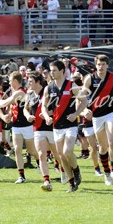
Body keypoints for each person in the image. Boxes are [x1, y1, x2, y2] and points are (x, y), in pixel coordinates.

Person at [42, 60, 87, 193]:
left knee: (67, 152)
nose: (52, 73)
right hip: (56, 126)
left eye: (54, 70)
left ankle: (77, 170)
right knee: (61, 156)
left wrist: (76, 113)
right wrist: (46, 117)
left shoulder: (71, 85)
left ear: (62, 71)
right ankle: (72, 182)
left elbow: (84, 101)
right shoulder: (48, 88)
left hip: (70, 124)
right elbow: (44, 106)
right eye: (50, 70)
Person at [82, 54, 113, 185]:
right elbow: (81, 96)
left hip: (110, 111)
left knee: (112, 141)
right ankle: (107, 173)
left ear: (107, 65)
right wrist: (84, 110)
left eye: (103, 64)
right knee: (103, 146)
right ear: (95, 65)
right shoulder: (89, 78)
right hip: (97, 115)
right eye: (99, 64)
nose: (101, 67)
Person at [0, 71, 39, 184]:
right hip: (16, 125)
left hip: (26, 125)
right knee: (17, 150)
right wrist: (9, 115)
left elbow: (3, 103)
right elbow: (12, 107)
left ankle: (40, 163)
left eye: (9, 80)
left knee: (32, 150)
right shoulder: (14, 92)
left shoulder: (20, 92)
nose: (8, 83)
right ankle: (21, 176)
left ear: (15, 81)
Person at [24, 72, 64, 191]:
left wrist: (47, 115)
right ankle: (46, 181)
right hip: (37, 129)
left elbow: (57, 109)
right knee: (41, 154)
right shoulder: (30, 94)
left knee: (58, 154)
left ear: (37, 82)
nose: (28, 83)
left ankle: (65, 171)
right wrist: (27, 116)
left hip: (50, 127)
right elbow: (25, 109)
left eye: (30, 81)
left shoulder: (47, 92)